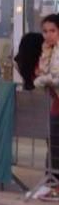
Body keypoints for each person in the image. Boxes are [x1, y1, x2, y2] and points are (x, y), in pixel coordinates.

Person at [33, 14, 59, 188]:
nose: (48, 35)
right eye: (45, 31)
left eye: (53, 31)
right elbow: (41, 73)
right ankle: (52, 181)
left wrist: (42, 80)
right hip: (56, 102)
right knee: (54, 144)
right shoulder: (46, 51)